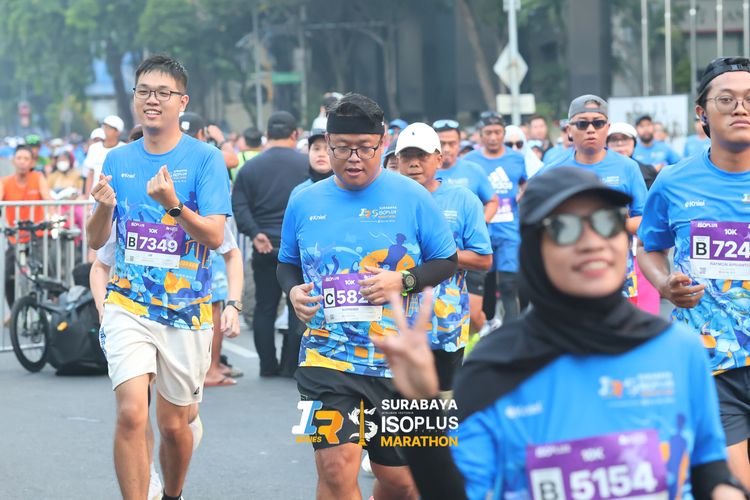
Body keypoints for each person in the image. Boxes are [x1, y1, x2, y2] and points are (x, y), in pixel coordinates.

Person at [374, 167, 744, 500]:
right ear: (535, 249)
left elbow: (707, 467)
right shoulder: (495, 367)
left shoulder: (678, 348)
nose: (592, 241)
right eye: (565, 227)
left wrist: (726, 490)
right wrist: (420, 402)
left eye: (606, 222)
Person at [277, 93, 458, 499]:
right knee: (335, 468)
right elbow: (286, 263)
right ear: (327, 143)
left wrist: (403, 281)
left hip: (400, 360)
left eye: (365, 148)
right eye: (342, 148)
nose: (354, 158)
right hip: (326, 356)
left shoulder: (413, 196)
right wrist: (293, 291)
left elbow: (446, 262)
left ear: (383, 143)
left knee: (402, 481)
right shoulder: (303, 200)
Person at [87, 54, 231, 500]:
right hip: (128, 303)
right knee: (132, 412)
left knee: (174, 425)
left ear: (181, 101)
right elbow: (96, 240)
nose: (152, 100)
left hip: (186, 310)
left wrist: (173, 205)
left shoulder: (206, 159)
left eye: (163, 93)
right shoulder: (116, 159)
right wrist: (104, 208)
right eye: (144, 91)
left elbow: (215, 236)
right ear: (135, 98)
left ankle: (172, 493)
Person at [637, 57, 750, 489]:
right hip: (711, 363)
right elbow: (648, 246)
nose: (741, 108)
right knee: (734, 487)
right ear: (702, 113)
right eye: (727, 99)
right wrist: (664, 284)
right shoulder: (673, 181)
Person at [396, 122, 491, 390]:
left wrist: (442, 257)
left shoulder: (463, 199)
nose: (413, 163)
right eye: (406, 156)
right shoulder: (384, 200)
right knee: (399, 404)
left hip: (444, 325)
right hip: (394, 326)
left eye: (421, 155)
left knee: (442, 402)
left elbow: (484, 260)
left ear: (438, 159)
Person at [543, 95, 647, 304]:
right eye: (582, 124)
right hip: (568, 271)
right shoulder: (552, 171)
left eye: (598, 123)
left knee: (620, 324)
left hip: (617, 270)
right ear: (569, 130)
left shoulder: (627, 167)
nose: (591, 130)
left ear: (607, 128)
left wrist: (613, 222)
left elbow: (645, 220)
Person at [232, 110, 308, 377]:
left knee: (264, 307)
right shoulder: (306, 165)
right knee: (298, 306)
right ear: (295, 134)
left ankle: (267, 365)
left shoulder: (250, 167)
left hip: (264, 246)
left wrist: (255, 233)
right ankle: (291, 365)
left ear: (267, 135)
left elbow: (239, 206)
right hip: (297, 249)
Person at [433, 119, 498, 335]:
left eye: (452, 143)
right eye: (442, 143)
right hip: (437, 260)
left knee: (474, 314)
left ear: (460, 143)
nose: (447, 148)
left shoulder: (473, 169)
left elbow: (493, 201)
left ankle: (481, 336)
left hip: (470, 251)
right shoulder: (426, 171)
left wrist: (479, 222)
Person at [464, 112, 527, 326]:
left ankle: (513, 330)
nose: (493, 137)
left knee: (509, 284)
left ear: (503, 133)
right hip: (482, 229)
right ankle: (487, 326)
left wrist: (523, 194)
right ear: (480, 134)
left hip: (509, 229)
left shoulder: (517, 158)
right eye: (488, 132)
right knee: (485, 283)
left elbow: (526, 183)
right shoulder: (470, 161)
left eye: (497, 132)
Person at [2, 145, 53, 306]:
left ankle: (50, 305)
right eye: (19, 158)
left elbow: (48, 200)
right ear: (13, 161)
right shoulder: (5, 181)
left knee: (46, 270)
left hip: (36, 235)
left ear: (32, 163)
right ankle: (14, 311)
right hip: (15, 237)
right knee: (8, 276)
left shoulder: (38, 178)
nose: (22, 162)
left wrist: (52, 216)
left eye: (26, 159)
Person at [83, 115, 125, 198]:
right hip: (95, 197)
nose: (105, 130)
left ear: (117, 132)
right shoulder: (94, 148)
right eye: (104, 127)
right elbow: (90, 174)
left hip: (116, 197)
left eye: (109, 128)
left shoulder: (124, 148)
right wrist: (87, 197)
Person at [607, 122, 658, 189]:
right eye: (614, 139)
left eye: (625, 138)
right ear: (607, 144)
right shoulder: (596, 170)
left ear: (634, 143)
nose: (619, 143)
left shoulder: (649, 171)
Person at [290, 128, 333, 199]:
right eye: (316, 148)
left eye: (328, 149)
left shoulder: (347, 189)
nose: (321, 154)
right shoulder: (298, 193)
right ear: (309, 152)